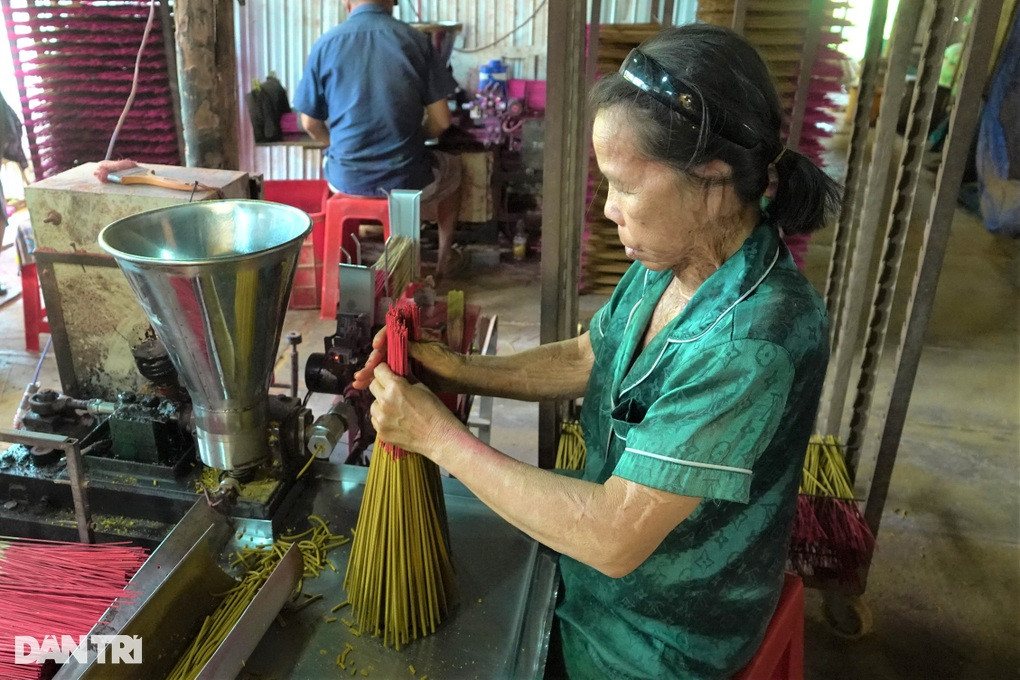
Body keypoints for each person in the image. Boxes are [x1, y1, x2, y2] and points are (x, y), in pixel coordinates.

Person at [353, 24, 840, 680]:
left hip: (658, 634)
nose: (609, 210)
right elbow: (595, 355)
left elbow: (612, 536)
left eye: (626, 186)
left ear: (713, 182)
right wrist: (458, 368)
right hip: (592, 583)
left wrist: (434, 436)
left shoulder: (751, 341)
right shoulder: (677, 256)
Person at [293, 0, 463, 277]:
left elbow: (309, 122)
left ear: (347, 3)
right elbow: (442, 121)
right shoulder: (416, 41)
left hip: (345, 179)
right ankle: (444, 262)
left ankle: (348, 266)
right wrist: (416, 138)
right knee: (454, 169)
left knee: (337, 167)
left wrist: (336, 146)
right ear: (394, 2)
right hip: (404, 180)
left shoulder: (326, 43)